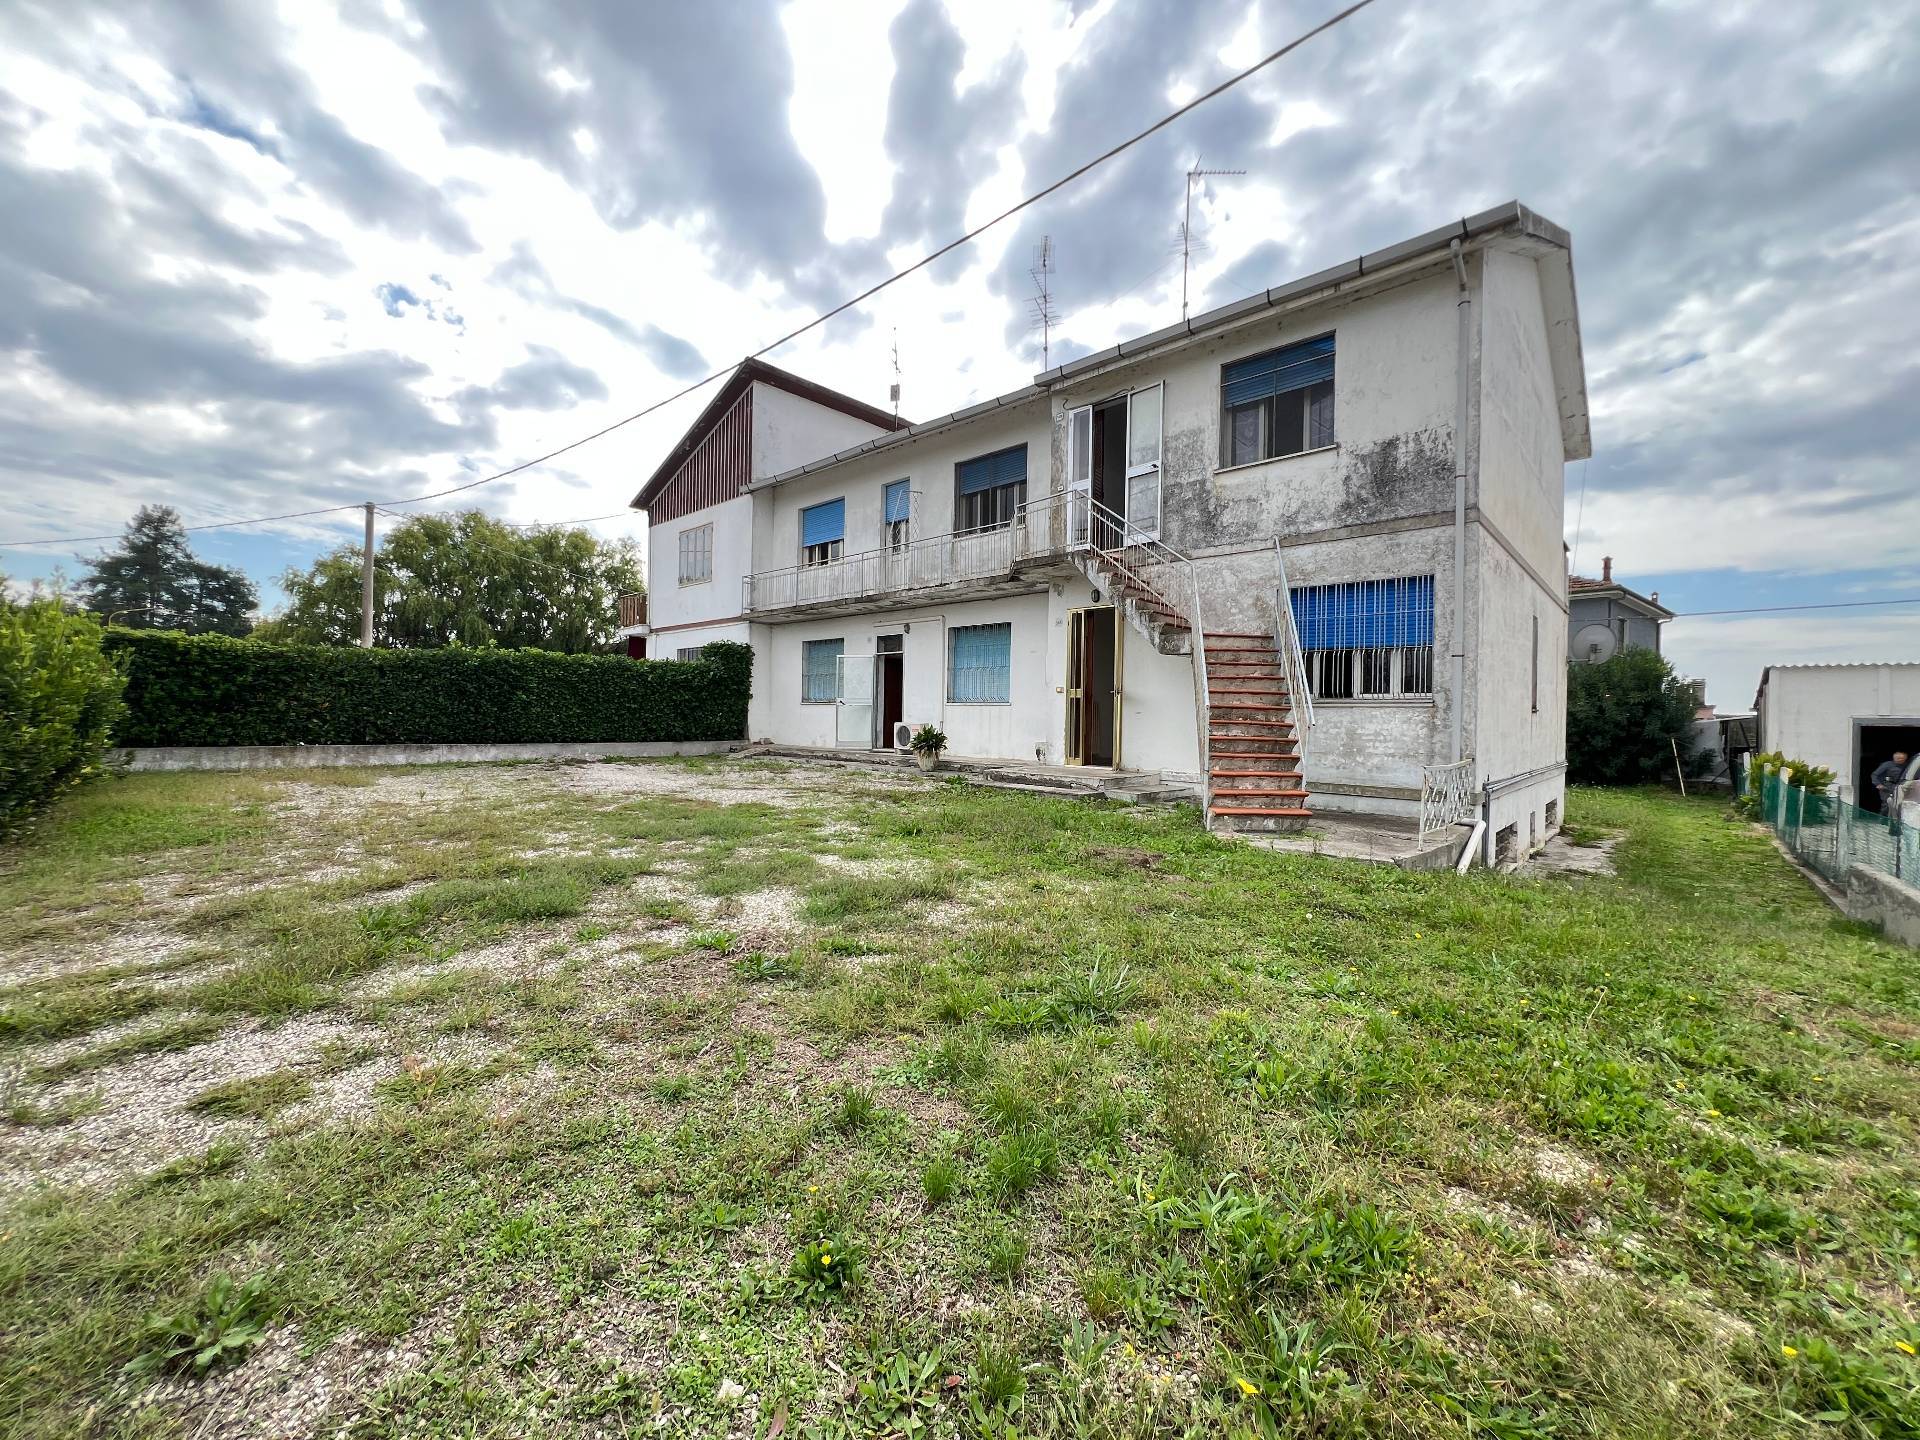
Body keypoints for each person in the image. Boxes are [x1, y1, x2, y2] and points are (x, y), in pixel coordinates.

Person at [1871, 750, 1910, 818]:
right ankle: (1882, 820)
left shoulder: (1907, 765)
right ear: (1894, 758)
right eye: (1899, 758)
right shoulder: (1887, 764)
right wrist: (1878, 784)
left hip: (1900, 786)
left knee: (1899, 804)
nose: (1900, 760)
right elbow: (1875, 774)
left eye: (1902, 759)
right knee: (1886, 804)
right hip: (1887, 786)